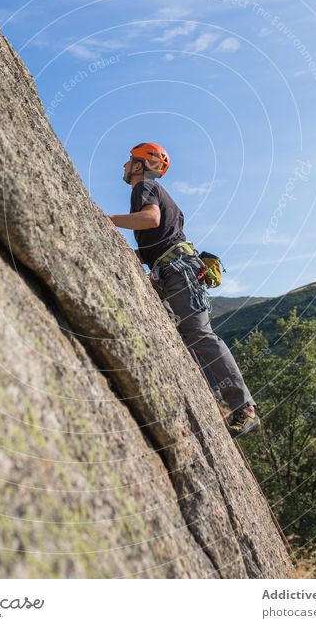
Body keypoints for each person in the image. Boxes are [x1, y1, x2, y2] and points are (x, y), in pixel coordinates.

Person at [108, 142, 260, 439]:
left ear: (140, 166)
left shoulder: (143, 187)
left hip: (178, 270)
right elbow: (158, 242)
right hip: (172, 269)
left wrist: (107, 220)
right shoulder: (154, 192)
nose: (124, 166)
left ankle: (244, 409)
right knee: (182, 333)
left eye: (129, 161)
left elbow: (151, 219)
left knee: (199, 333)